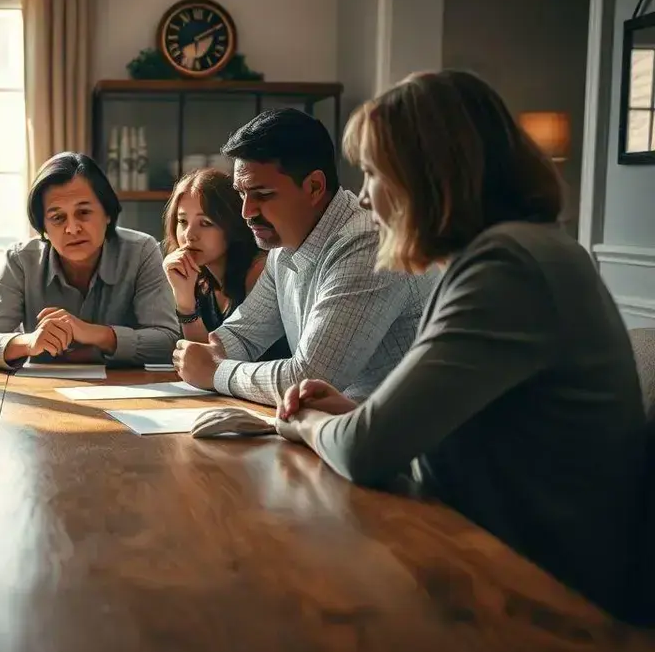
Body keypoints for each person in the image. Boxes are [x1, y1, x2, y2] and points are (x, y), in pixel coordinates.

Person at [271, 70, 646, 620]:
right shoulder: (502, 255)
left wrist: (304, 424)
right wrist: (353, 411)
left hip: (542, 589)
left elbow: (365, 450)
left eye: (374, 172)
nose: (365, 197)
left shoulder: (508, 267)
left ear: (426, 175)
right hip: (493, 545)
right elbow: (471, 427)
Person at [173, 108, 437, 406]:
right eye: (241, 194)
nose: (246, 212)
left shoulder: (367, 243)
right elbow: (242, 336)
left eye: (262, 193)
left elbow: (310, 380)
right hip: (335, 434)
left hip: (394, 444)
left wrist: (217, 372)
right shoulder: (284, 244)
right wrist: (207, 354)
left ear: (314, 187)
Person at [0, 152, 179, 369]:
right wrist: (28, 342)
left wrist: (94, 334)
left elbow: (168, 341)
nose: (72, 228)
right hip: (40, 393)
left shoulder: (141, 251)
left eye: (84, 212)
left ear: (108, 214)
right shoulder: (21, 260)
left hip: (132, 394)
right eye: (58, 218)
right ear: (43, 229)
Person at [160, 168, 289, 359]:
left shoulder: (259, 271)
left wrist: (186, 308)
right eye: (182, 221)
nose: (188, 235)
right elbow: (199, 363)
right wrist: (184, 298)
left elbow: (212, 362)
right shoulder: (198, 278)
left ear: (232, 225)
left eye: (205, 223)